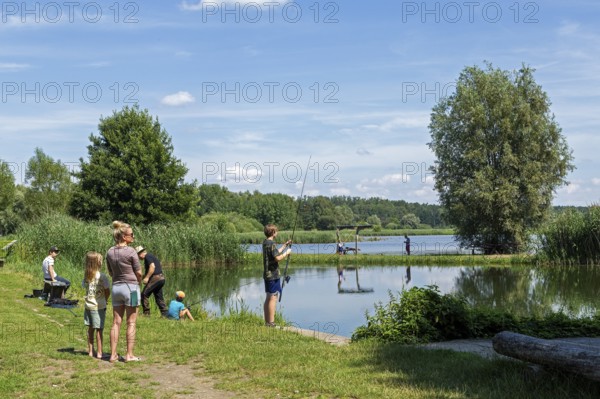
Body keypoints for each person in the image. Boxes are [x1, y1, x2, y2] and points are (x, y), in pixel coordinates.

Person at [106, 221, 142, 363]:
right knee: (131, 322)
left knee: (116, 322)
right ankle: (129, 355)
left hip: (116, 288)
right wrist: (139, 283)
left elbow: (110, 271)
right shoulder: (131, 251)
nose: (133, 237)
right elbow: (138, 272)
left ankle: (113, 354)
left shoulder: (109, 251)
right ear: (124, 237)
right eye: (131, 235)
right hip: (131, 289)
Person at [82, 252, 110, 359]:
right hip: (98, 306)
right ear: (98, 263)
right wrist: (105, 300)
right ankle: (99, 352)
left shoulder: (87, 275)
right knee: (99, 330)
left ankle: (90, 351)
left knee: (90, 329)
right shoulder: (102, 276)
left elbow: (84, 286)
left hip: (88, 305)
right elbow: (107, 291)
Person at [262, 223, 292, 327]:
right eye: (276, 231)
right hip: (273, 275)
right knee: (273, 297)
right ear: (273, 232)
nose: (277, 232)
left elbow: (275, 253)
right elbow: (277, 258)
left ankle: (267, 322)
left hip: (267, 274)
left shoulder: (266, 243)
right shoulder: (272, 243)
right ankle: (271, 323)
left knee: (268, 297)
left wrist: (284, 246)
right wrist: (286, 253)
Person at [135, 246, 168, 317]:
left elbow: (152, 267)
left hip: (156, 278)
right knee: (159, 296)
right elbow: (150, 270)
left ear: (140, 253)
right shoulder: (151, 256)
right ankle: (165, 314)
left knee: (144, 294)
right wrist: (142, 277)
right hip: (161, 278)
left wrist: (147, 278)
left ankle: (146, 313)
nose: (138, 258)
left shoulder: (147, 256)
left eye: (137, 256)